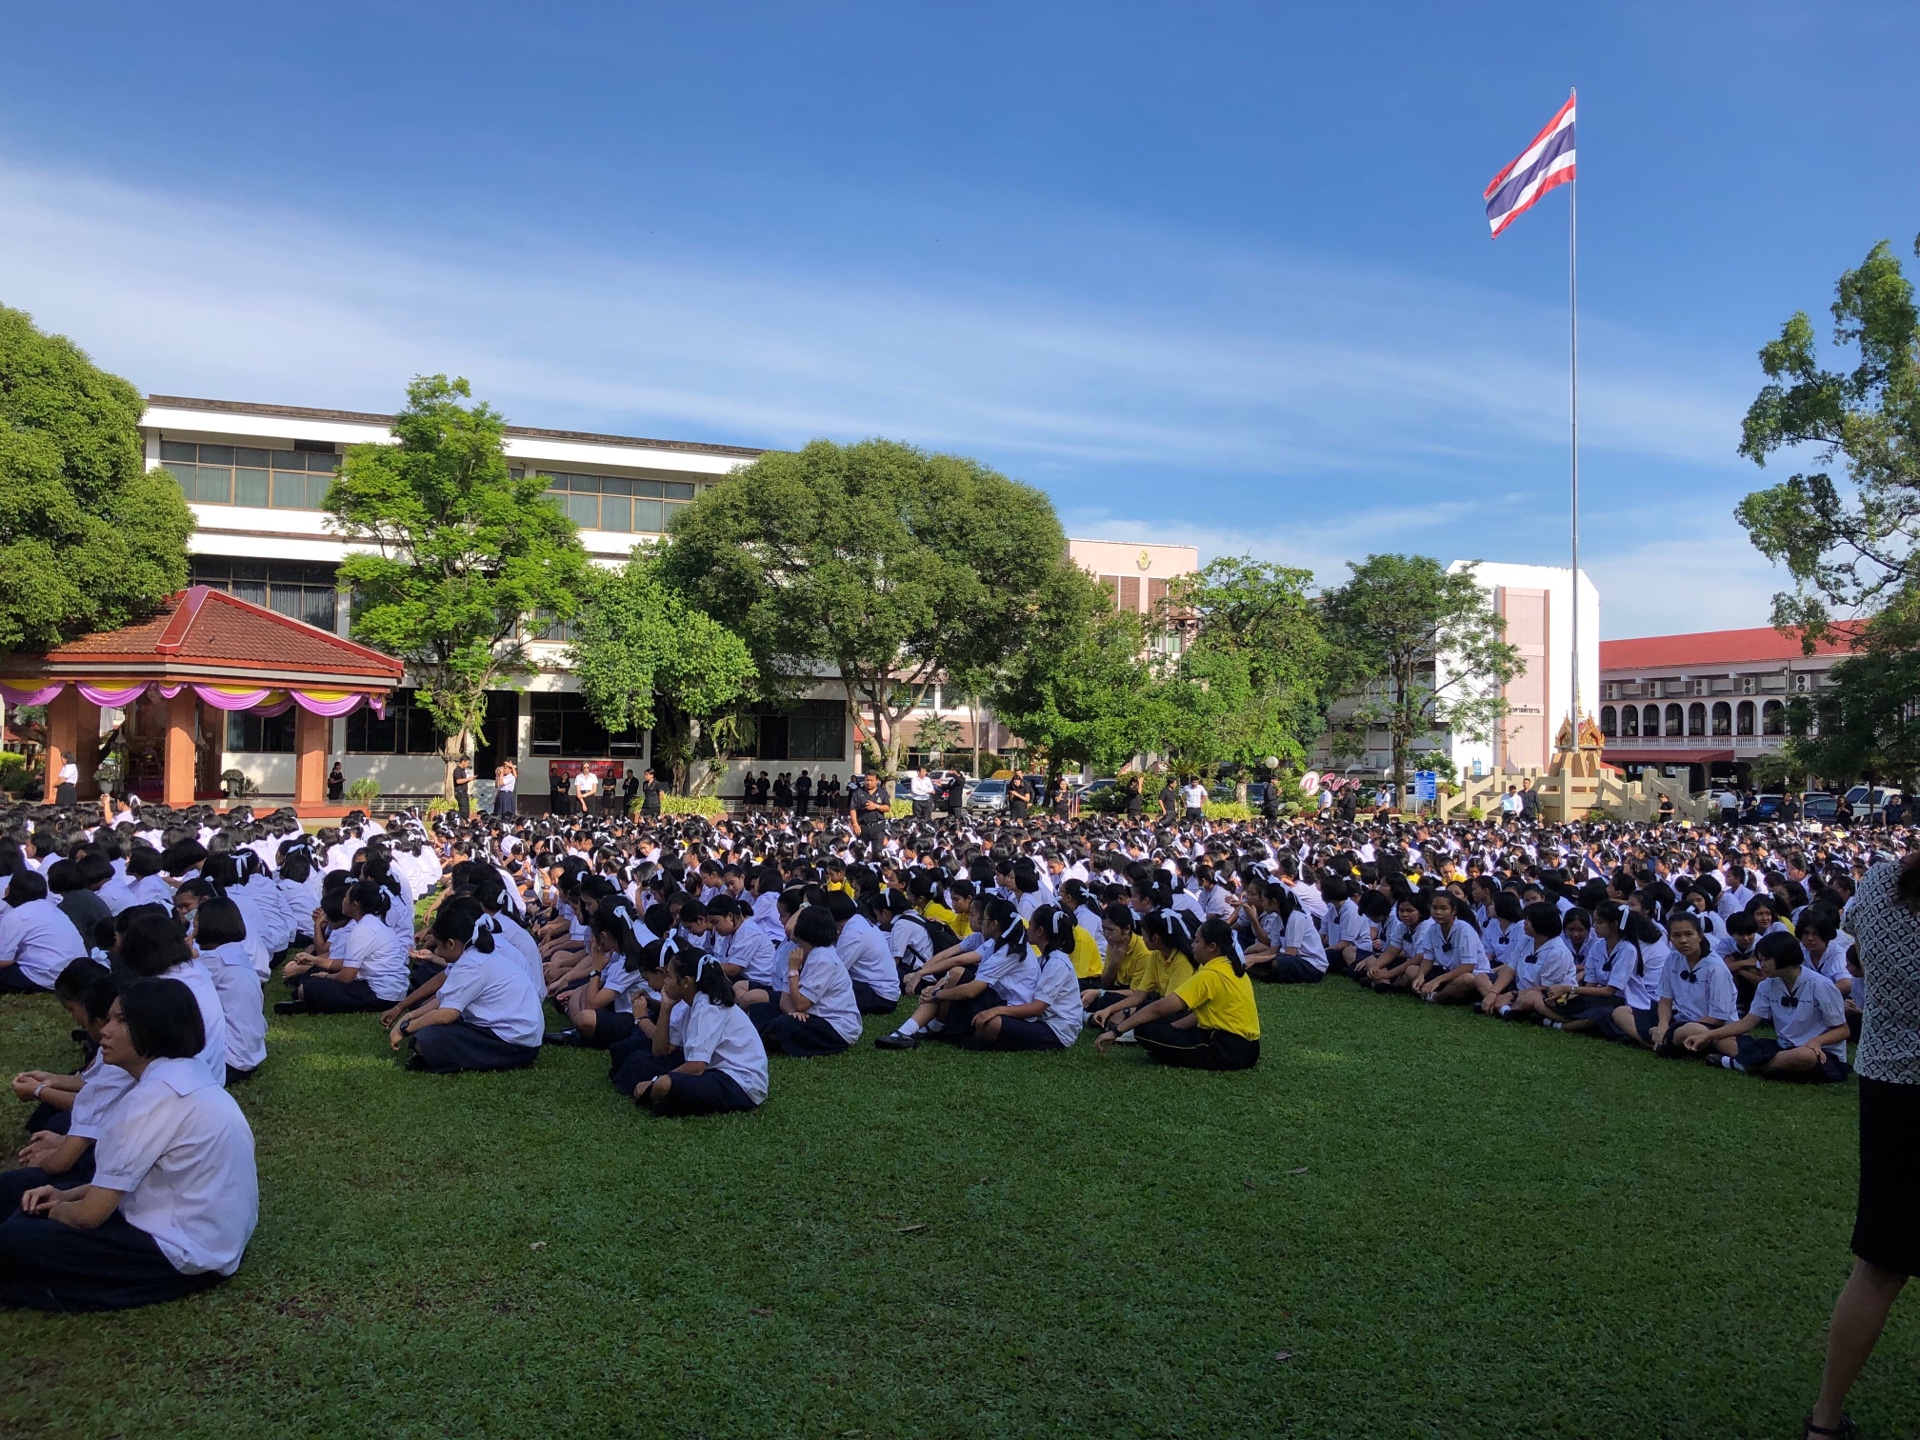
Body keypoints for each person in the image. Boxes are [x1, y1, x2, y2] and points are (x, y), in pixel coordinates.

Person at [0, 978, 259, 1312]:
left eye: (121, 1021)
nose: (105, 1030)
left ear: (154, 1028)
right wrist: (64, 1195)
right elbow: (130, 1183)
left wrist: (57, 1210)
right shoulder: (183, 1076)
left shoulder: (155, 1096)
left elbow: (89, 1216)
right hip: (203, 1235)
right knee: (21, 1200)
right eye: (108, 1019)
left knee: (16, 1236)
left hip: (181, 1251)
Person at [1800, 852, 1920, 1440]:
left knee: (1879, 1264)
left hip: (1891, 1086)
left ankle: (1824, 1420)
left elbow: (1863, 960)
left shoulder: (1878, 885)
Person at [389, 901, 542, 1073]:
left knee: (427, 1038)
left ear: (451, 944)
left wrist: (406, 1028)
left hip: (515, 1044)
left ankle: (444, 1058)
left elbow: (447, 1014)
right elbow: (442, 999)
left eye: (439, 945)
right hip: (520, 1038)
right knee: (429, 1030)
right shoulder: (474, 954)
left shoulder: (471, 963)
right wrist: (409, 1016)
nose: (437, 952)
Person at [1095, 916, 1259, 1070]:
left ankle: (1167, 1051)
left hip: (1226, 1047)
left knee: (1144, 1030)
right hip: (1246, 1047)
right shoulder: (1227, 965)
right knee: (1152, 1020)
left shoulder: (1210, 973)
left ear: (1212, 947)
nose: (1192, 945)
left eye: (1197, 941)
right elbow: (1201, 1013)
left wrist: (1116, 1031)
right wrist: (1172, 1029)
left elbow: (1160, 1008)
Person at [1683, 931, 1849, 1081]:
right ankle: (1768, 1065)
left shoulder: (1820, 985)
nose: (1761, 965)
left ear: (1784, 956)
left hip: (1820, 1052)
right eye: (1760, 959)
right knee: (1723, 1040)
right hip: (1783, 1046)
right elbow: (1747, 1022)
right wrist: (1708, 1035)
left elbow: (1843, 1030)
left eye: (1766, 959)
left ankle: (1742, 1064)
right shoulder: (1767, 985)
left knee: (1804, 1056)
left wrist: (1816, 1042)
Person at [633, 943, 770, 1117]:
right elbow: (661, 1050)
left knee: (663, 1085)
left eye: (669, 976)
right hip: (717, 1073)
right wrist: (665, 1008)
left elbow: (696, 1066)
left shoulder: (708, 1007)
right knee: (642, 1064)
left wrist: (653, 1082)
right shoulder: (691, 1004)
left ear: (686, 982)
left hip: (740, 1083)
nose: (665, 981)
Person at [0, 870, 88, 995]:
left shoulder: (16, 916)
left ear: (14, 890)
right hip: (73, 975)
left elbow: (3, 961)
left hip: (46, 977)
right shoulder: (53, 909)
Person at [452, 756, 472, 821]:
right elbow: (458, 781)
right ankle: (456, 819)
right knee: (463, 811)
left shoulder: (463, 771)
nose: (467, 765)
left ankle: (465, 822)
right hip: (460, 792)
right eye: (467, 763)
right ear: (463, 761)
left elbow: (463, 781)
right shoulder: (457, 770)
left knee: (466, 810)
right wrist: (468, 779)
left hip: (464, 792)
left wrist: (469, 779)